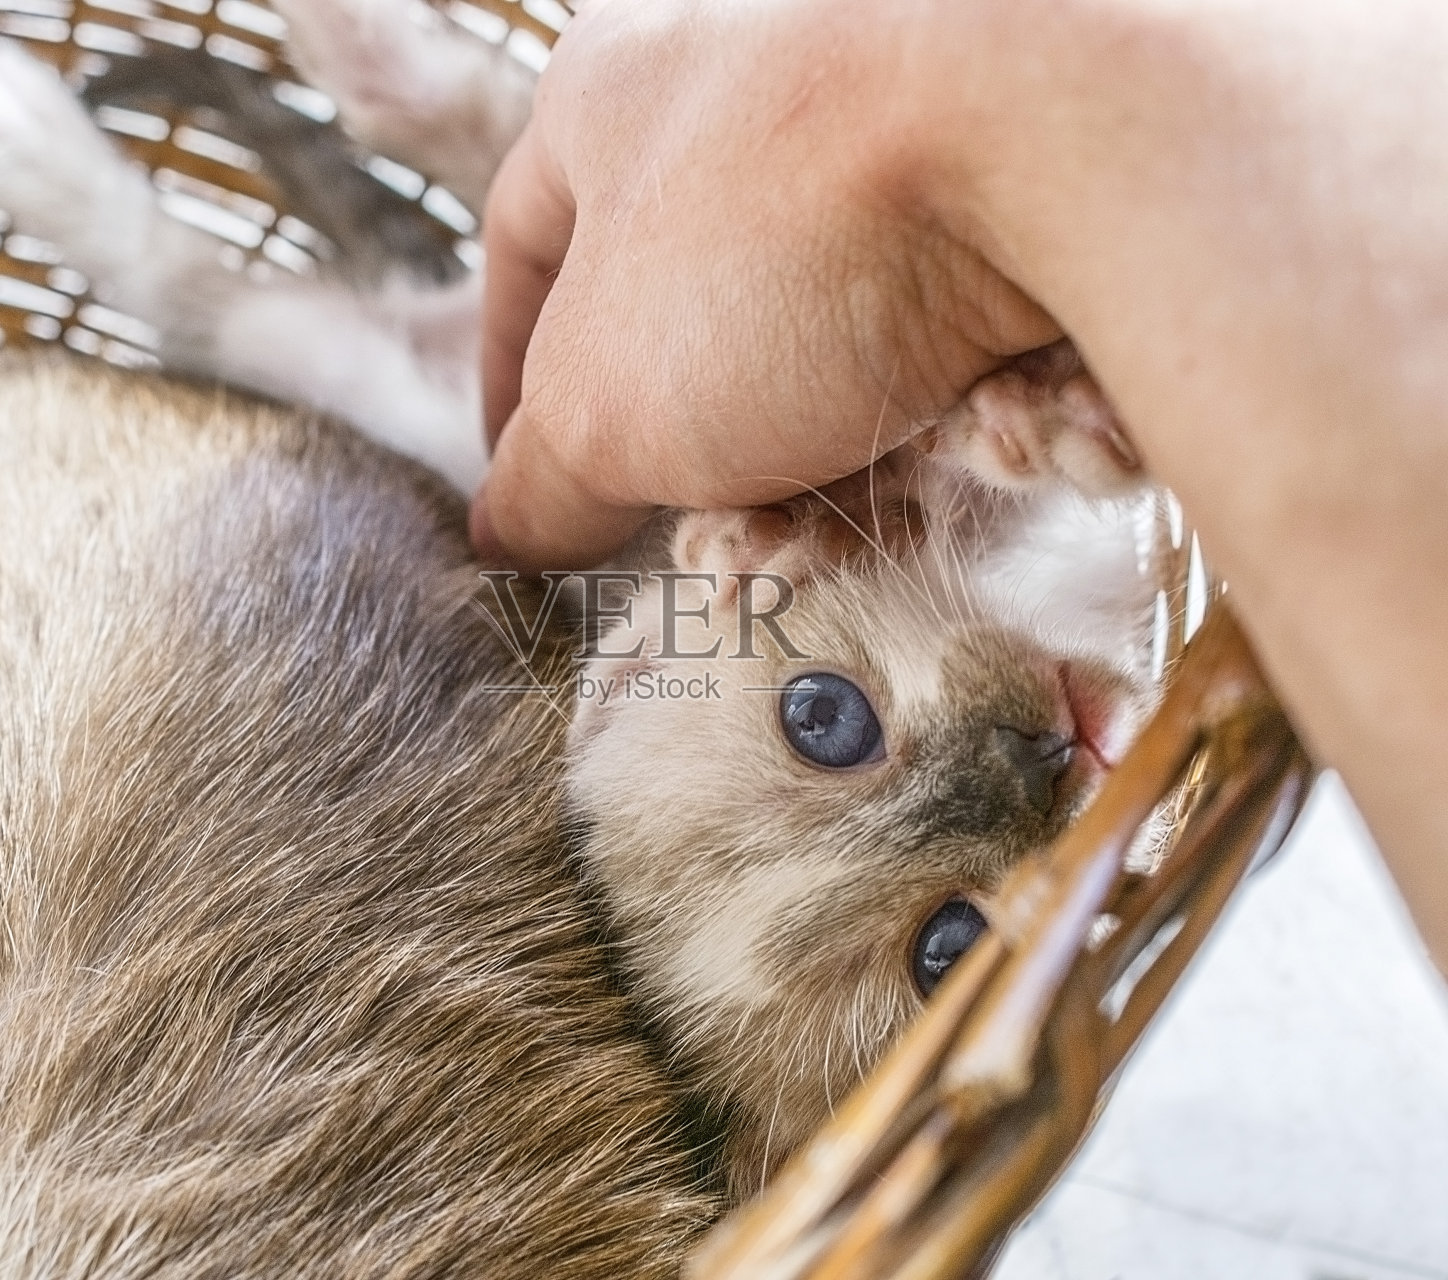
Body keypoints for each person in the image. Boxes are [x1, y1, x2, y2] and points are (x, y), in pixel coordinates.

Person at [467, 0, 1448, 973]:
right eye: (946, 949)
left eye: (826, 719)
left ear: (650, 647)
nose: (1017, 770)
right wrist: (986, 123)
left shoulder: (749, 565)